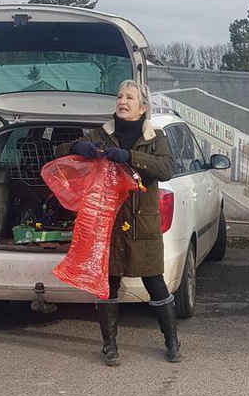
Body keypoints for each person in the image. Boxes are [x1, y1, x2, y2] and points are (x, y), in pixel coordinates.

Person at [58, 80, 179, 366]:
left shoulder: (155, 136)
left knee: (156, 284)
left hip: (142, 225)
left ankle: (172, 341)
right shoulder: (101, 135)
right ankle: (109, 345)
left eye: (130, 97)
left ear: (143, 107)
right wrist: (78, 146)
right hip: (108, 224)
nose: (123, 101)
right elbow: (61, 152)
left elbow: (165, 169)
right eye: (120, 96)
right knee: (108, 285)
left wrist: (130, 157)